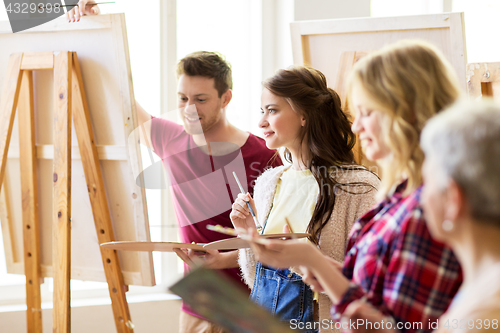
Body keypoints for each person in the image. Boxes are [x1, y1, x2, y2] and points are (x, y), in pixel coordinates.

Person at [66, 4, 282, 332]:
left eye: (200, 99)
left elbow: (280, 237)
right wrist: (88, 21)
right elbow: (119, 90)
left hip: (252, 302)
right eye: (182, 99)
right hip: (198, 304)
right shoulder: (168, 138)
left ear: (226, 98)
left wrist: (225, 260)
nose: (189, 109)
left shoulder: (264, 154)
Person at [246, 40, 464, 333]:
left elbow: (394, 324)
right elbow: (362, 289)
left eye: (368, 112)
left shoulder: (424, 208)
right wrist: (303, 261)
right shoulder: (394, 198)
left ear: (407, 112)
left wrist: (313, 262)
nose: (356, 127)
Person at [230, 66, 380, 333]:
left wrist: (306, 262)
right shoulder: (268, 182)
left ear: (304, 115)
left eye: (272, 110)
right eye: (261, 111)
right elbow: (258, 282)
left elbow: (371, 285)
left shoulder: (360, 188)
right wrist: (248, 235)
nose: (261, 122)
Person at [340, 100, 500, 333]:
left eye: (427, 185)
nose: (421, 199)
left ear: (453, 199)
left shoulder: (481, 315)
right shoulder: (480, 288)